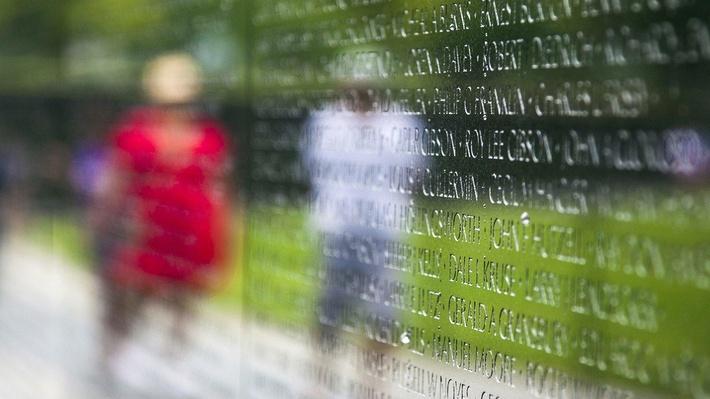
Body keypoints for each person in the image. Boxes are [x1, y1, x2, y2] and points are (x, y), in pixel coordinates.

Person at [92, 53, 231, 381]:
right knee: (136, 293)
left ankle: (173, 358)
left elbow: (220, 190)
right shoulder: (135, 133)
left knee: (184, 299)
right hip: (147, 230)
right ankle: (121, 352)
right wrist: (102, 223)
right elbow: (117, 181)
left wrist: (222, 240)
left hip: (191, 232)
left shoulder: (210, 137)